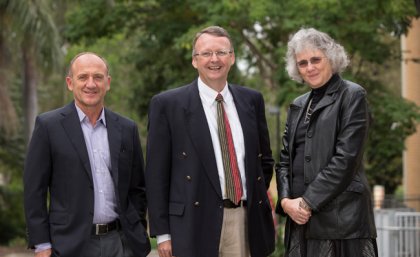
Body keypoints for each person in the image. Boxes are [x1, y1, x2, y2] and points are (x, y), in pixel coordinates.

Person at [145, 26, 275, 257]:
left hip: (244, 220)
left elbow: (264, 161)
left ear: (232, 58)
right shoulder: (167, 105)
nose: (214, 59)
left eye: (221, 52)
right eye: (206, 53)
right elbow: (156, 175)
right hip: (192, 223)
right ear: (195, 60)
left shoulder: (252, 100)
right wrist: (163, 233)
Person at [23, 52, 151, 257]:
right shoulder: (49, 126)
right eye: (83, 77)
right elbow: (34, 190)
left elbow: (137, 189)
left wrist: (137, 232)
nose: (90, 84)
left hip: (121, 244)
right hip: (69, 245)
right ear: (70, 83)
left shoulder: (127, 128)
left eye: (97, 77)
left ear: (107, 83)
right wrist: (41, 244)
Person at [275, 27, 378, 257]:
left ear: (330, 58)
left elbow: (346, 159)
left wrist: (307, 202)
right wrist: (285, 201)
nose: (309, 67)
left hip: (342, 222)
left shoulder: (353, 95)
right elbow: (283, 162)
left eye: (315, 59)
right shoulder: (298, 104)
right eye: (302, 63)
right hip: (300, 222)